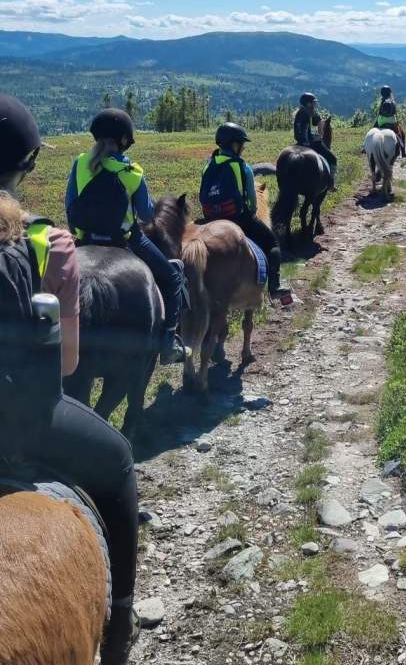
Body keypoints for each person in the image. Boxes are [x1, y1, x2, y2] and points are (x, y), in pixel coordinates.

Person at [0, 94, 140, 665]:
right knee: (119, 462)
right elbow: (66, 366)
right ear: (26, 164)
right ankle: (123, 615)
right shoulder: (36, 243)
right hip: (17, 424)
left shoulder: (83, 167)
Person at [65, 108, 186, 365]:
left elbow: (70, 206)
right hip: (126, 241)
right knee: (173, 277)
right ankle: (168, 343)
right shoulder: (132, 171)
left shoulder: (80, 164)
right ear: (123, 140)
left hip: (85, 241)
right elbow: (146, 214)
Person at [199, 122, 291, 302]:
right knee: (272, 244)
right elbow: (252, 202)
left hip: (210, 217)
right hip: (237, 218)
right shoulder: (242, 167)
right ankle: (274, 287)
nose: (243, 148)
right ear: (234, 145)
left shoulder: (208, 165)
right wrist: (250, 211)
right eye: (241, 144)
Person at [293, 93, 337, 189]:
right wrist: (315, 138)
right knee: (333, 159)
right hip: (308, 143)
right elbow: (314, 127)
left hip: (298, 142)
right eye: (313, 103)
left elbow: (314, 122)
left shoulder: (300, 112)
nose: (315, 105)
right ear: (308, 104)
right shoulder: (307, 113)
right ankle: (331, 183)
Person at [374, 85, 406, 157]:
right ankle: (403, 152)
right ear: (389, 93)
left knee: (373, 130)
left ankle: (364, 146)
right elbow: (394, 113)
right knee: (401, 133)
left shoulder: (382, 101)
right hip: (391, 121)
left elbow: (379, 112)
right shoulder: (392, 101)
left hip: (380, 121)